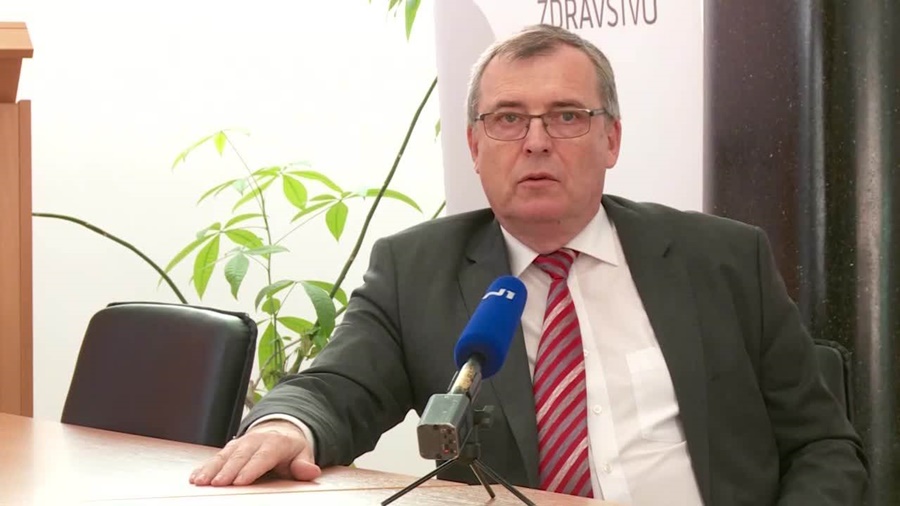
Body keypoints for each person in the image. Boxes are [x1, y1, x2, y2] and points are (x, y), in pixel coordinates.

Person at [189, 24, 868, 505]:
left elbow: (824, 448)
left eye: (567, 116)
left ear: (611, 139)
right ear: (474, 145)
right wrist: (286, 425)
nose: (536, 142)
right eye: (508, 119)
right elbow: (335, 388)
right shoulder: (414, 270)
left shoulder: (723, 259)